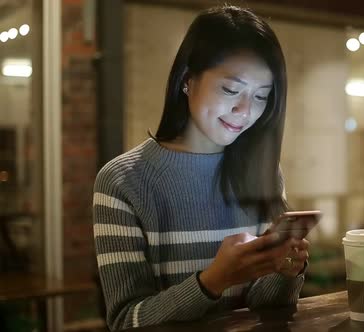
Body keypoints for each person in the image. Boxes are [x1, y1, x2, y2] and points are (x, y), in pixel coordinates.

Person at [92, 6, 309, 331]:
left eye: (262, 96)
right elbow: (126, 321)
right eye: (231, 90)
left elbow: (264, 309)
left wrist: (285, 271)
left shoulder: (262, 172)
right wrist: (212, 281)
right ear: (187, 80)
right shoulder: (122, 182)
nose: (245, 111)